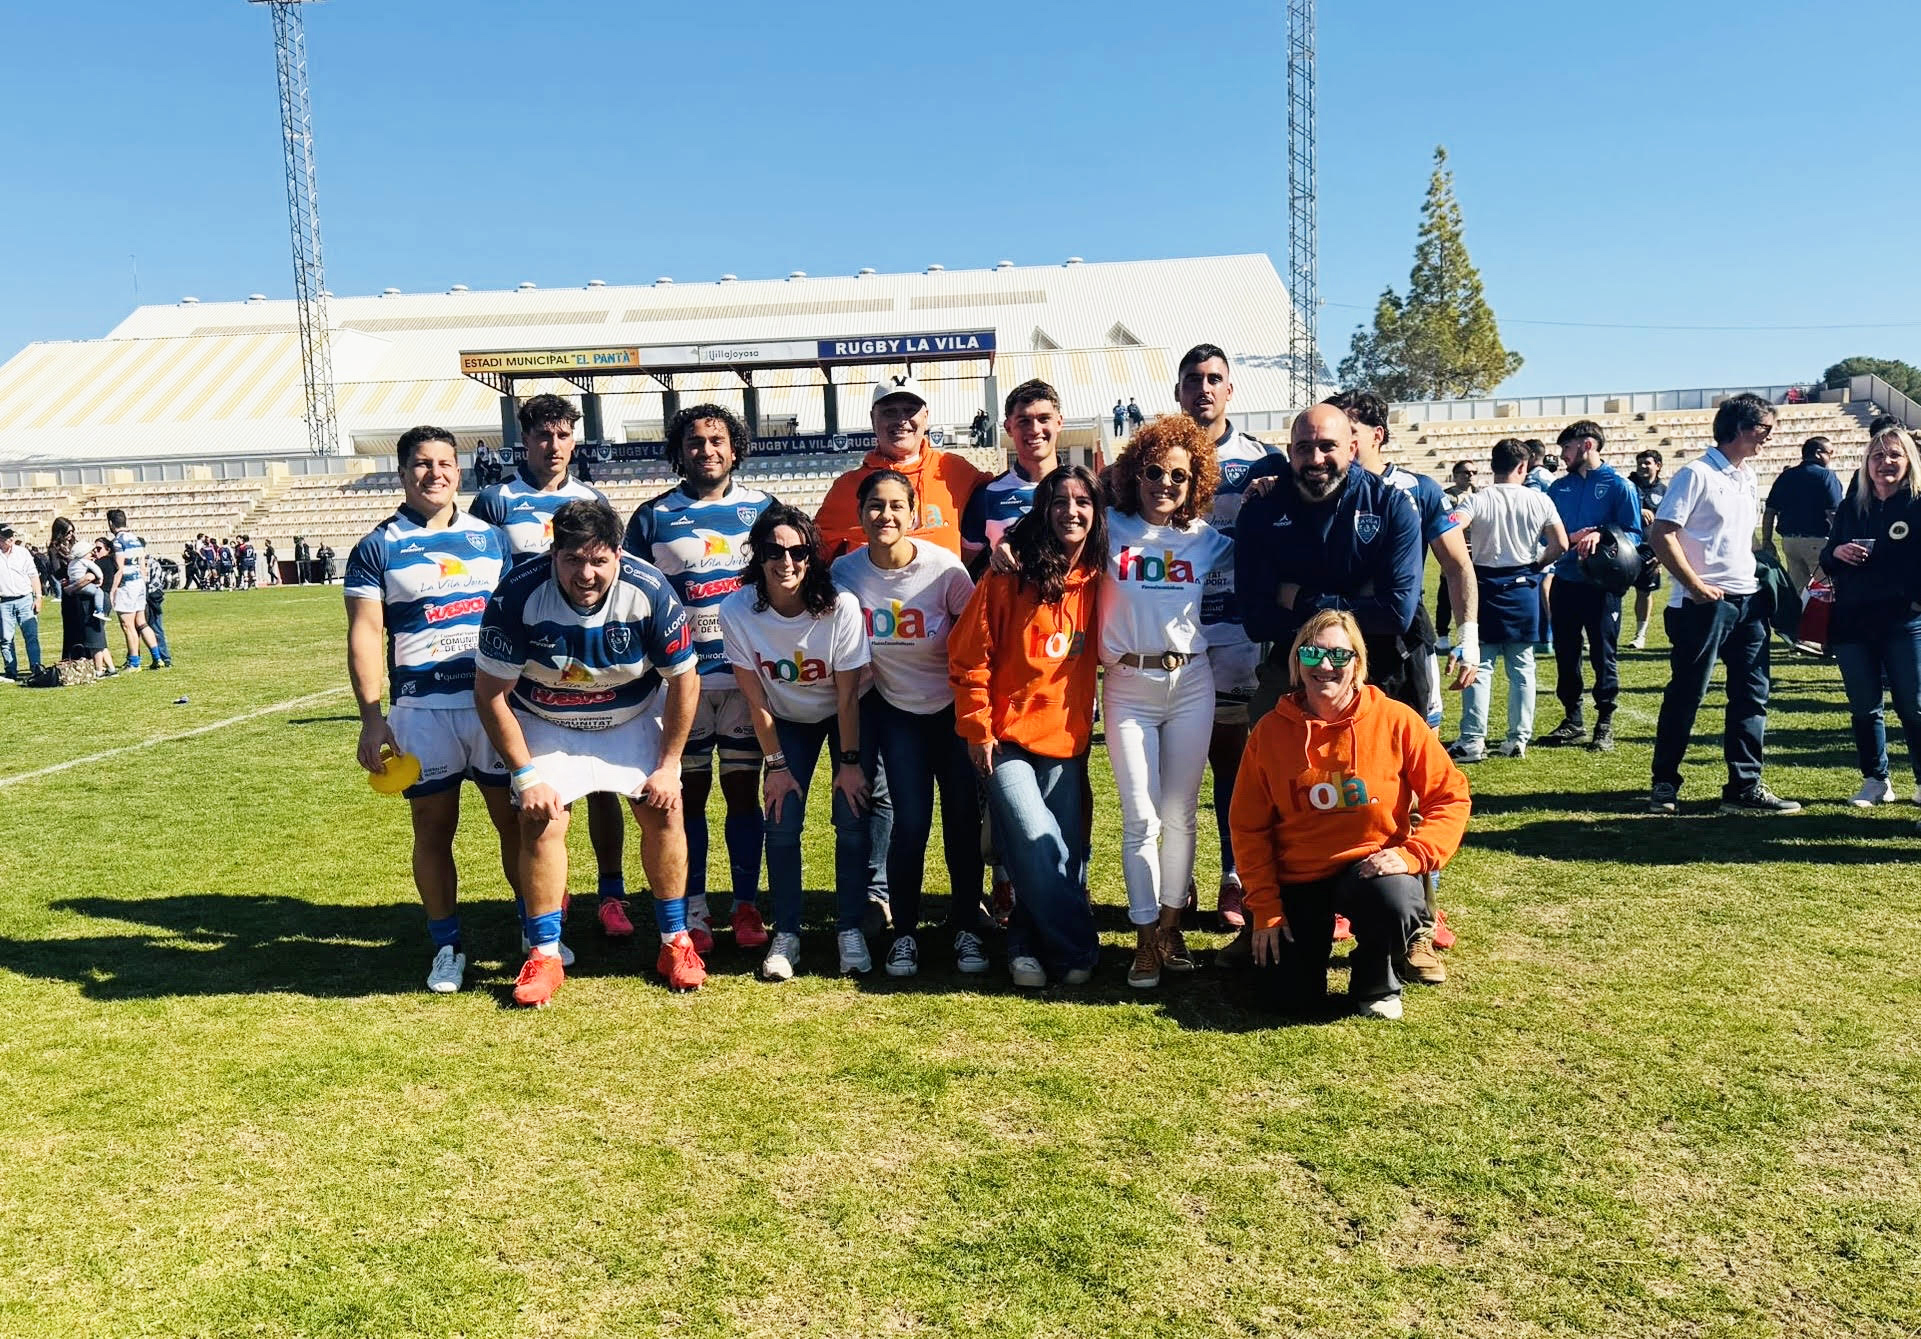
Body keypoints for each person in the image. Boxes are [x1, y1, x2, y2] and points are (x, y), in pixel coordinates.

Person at [474, 498, 705, 1005]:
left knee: (665, 810)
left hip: (631, 715)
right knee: (542, 818)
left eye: (599, 560)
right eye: (573, 559)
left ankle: (675, 942)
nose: (586, 573)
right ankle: (545, 954)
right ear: (553, 553)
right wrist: (525, 775)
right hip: (547, 717)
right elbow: (490, 692)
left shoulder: (649, 590)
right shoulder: (518, 592)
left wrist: (669, 767)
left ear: (619, 555)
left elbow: (685, 681)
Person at [1231, 610, 1470, 1022]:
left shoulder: (1396, 720)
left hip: (1370, 870)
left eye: (1339, 656)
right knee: (1287, 1000)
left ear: (1357, 664)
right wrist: (1265, 907)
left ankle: (1375, 982)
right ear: (1296, 663)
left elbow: (1450, 796)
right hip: (1298, 876)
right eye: (1311, 654)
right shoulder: (1270, 731)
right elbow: (1249, 827)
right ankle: (1299, 960)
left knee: (1394, 898)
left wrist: (1414, 855)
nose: (1324, 666)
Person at [344, 425, 516, 993]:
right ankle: (446, 945)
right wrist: (372, 718)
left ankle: (534, 931)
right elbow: (365, 635)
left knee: (515, 823)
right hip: (421, 709)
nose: (434, 473)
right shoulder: (377, 545)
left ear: (459, 472)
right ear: (402, 472)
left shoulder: (492, 539)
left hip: (492, 706)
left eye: (445, 463)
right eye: (422, 463)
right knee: (433, 828)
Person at [472, 394, 635, 936]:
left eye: (564, 434)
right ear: (526, 439)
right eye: (543, 435)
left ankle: (611, 894)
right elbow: (483, 574)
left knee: (604, 786)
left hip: (592, 659)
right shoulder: (496, 501)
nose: (554, 445)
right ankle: (550, 898)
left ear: (575, 439)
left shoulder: (593, 498)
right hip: (526, 665)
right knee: (539, 793)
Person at [624, 403, 777, 951]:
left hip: (742, 682)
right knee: (685, 799)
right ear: (679, 451)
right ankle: (693, 907)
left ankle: (744, 905)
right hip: (680, 684)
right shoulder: (652, 516)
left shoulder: (763, 510)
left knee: (742, 795)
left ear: (735, 448)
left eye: (717, 440)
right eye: (694, 441)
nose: (706, 450)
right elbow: (631, 597)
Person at [949, 465, 1105, 988]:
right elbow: (969, 655)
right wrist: (978, 728)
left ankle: (1023, 945)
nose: (1072, 511)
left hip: (1066, 739)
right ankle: (1078, 946)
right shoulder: (1008, 575)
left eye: (1083, 501)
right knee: (1035, 840)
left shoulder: (1102, 578)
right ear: (1042, 510)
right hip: (1004, 738)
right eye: (1059, 501)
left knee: (1063, 849)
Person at [1099, 415, 1233, 988]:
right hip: (1127, 684)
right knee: (1140, 818)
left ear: (1195, 481)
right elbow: (1045, 534)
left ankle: (1171, 927)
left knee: (1180, 816)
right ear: (1136, 473)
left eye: (1179, 476)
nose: (1165, 484)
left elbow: (1273, 552)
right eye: (1153, 471)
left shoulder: (1207, 539)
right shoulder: (1108, 527)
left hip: (1191, 682)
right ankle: (1144, 935)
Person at [834, 470, 983, 977]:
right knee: (910, 824)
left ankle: (966, 927)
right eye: (876, 506)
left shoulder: (944, 570)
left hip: (951, 714)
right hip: (897, 713)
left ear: (914, 514)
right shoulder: (846, 574)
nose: (886, 516)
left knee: (962, 821)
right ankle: (905, 934)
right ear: (860, 515)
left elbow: (976, 641)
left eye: (897, 506)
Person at [719, 505, 872, 981]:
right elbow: (756, 700)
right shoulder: (737, 609)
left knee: (851, 814)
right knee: (781, 819)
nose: (786, 562)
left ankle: (850, 928)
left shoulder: (839, 605)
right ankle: (788, 932)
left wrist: (849, 762)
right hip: (785, 718)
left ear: (812, 556)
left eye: (798, 551)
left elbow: (847, 696)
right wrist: (777, 766)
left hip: (843, 714)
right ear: (757, 555)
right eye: (773, 551)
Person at [1648, 392, 1799, 815]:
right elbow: (1661, 533)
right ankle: (1665, 783)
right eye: (1763, 430)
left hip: (1748, 602)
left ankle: (1745, 785)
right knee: (1687, 694)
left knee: (1753, 693)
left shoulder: (1746, 475)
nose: (1767, 439)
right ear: (1738, 428)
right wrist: (1695, 586)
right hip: (1703, 605)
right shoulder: (1695, 474)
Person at [1173, 343, 1282, 929]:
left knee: (1237, 769)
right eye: (1194, 379)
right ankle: (1177, 878)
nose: (1205, 389)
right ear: (1178, 391)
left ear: (1231, 391)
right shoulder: (1157, 457)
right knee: (1178, 767)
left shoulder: (1261, 462)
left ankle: (1235, 877)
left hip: (1239, 631)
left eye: (1215, 379)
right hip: (1172, 632)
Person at [1237, 404, 1424, 718]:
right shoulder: (1262, 510)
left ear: (1352, 449)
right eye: (1304, 448)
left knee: (1387, 765)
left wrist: (1299, 598)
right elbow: (1256, 621)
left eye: (1327, 446)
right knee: (1276, 755)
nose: (1315, 459)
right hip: (1294, 669)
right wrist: (1359, 603)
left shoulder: (1391, 505)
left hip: (1380, 669)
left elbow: (1395, 614)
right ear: (1290, 451)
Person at [1819, 417, 1921, 807]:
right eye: (1877, 455)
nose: (1886, 462)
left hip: (1903, 621)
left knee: (1913, 705)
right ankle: (1876, 780)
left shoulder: (1917, 505)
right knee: (1864, 706)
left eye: (1895, 455)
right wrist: (1838, 553)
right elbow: (1827, 558)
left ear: (1909, 460)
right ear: (1866, 463)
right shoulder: (1853, 504)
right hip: (1852, 620)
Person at [1448, 438, 1568, 761]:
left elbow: (1452, 526)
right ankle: (1518, 738)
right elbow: (1561, 543)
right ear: (1523, 466)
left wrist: (1464, 553)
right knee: (1522, 666)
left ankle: (1473, 740)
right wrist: (1538, 564)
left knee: (1481, 666)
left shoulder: (1478, 499)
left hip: (1485, 583)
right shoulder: (1539, 500)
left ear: (1492, 465)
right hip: (1523, 585)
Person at [1540, 421, 1641, 752]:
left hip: (1602, 586)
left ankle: (1605, 723)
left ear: (1586, 445)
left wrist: (1603, 532)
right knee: (1566, 653)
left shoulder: (1619, 486)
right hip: (1566, 580)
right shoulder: (1558, 488)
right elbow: (1548, 535)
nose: (1562, 456)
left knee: (1603, 653)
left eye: (1566, 448)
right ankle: (1573, 719)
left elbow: (1635, 534)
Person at [815, 373, 986, 561]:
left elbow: (1003, 498)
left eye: (910, 410)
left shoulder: (954, 470)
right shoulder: (847, 487)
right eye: (890, 412)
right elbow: (816, 553)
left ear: (926, 417)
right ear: (873, 419)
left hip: (945, 589)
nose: (901, 420)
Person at [1763, 436, 1843, 597]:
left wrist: (1767, 539)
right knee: (1827, 588)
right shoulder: (1826, 476)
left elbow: (1770, 511)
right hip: (1817, 541)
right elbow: (1833, 512)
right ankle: (1824, 622)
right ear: (1819, 453)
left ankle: (1798, 621)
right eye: (1830, 452)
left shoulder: (1785, 476)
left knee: (1798, 590)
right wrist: (1842, 537)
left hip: (1790, 542)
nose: (1831, 456)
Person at [105, 508, 167, 669]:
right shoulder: (135, 539)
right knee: (141, 622)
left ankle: (134, 662)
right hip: (139, 583)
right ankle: (157, 657)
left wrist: (112, 591)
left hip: (127, 585)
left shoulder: (118, 541)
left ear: (111, 524)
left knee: (127, 625)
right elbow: (142, 566)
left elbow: (119, 568)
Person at [1626, 449, 1668, 649]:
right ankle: (1596, 636)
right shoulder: (1626, 485)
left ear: (1658, 465)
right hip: (1624, 548)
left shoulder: (1665, 491)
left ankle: (1640, 635)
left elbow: (1670, 525)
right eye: (1640, 463)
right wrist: (1636, 510)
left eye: (1647, 463)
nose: (1642, 467)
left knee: (1644, 592)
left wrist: (1661, 555)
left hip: (1649, 550)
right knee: (1610, 593)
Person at [0, 525, 45, 682]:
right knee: (5, 639)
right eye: (6, 537)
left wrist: (38, 597)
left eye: (11, 536)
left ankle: (36, 667)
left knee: (31, 636)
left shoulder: (22, 553)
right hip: (4, 601)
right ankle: (11, 670)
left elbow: (33, 575)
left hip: (25, 598)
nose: (10, 539)